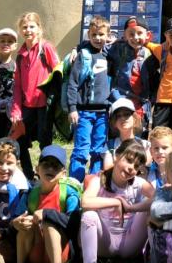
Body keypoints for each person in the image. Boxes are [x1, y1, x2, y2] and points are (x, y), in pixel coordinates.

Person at [79, 138, 155, 263]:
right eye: (128, 160)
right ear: (116, 156)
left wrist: (131, 208)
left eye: (136, 166)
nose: (131, 168)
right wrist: (116, 202)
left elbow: (158, 199)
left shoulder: (139, 183)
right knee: (89, 215)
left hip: (129, 242)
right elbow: (85, 202)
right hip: (105, 242)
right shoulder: (100, 180)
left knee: (152, 210)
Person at [11, 144, 82, 263]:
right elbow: (15, 219)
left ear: (63, 173)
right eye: (46, 164)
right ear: (37, 169)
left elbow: (74, 223)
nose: (50, 169)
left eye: (55, 166)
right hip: (36, 251)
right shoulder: (30, 194)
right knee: (24, 225)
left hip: (62, 253)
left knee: (50, 223)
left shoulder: (69, 193)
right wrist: (16, 223)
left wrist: (46, 213)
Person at [9, 12, 60, 178]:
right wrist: (16, 110)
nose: (28, 30)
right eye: (24, 27)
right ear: (20, 30)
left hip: (44, 105)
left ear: (39, 28)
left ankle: (46, 175)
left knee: (45, 142)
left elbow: (59, 72)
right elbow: (17, 86)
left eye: (32, 26)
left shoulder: (46, 48)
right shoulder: (20, 54)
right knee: (19, 140)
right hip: (27, 106)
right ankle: (28, 174)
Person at [66, 15, 113, 181]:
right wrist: (72, 108)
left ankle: (94, 183)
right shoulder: (83, 55)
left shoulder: (109, 55)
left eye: (101, 34)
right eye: (94, 35)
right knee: (81, 149)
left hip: (103, 113)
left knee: (98, 151)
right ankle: (74, 184)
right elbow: (72, 83)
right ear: (88, 35)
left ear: (108, 35)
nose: (98, 38)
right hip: (84, 113)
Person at [109, 15, 154, 122]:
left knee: (138, 129)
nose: (135, 37)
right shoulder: (118, 49)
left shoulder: (150, 53)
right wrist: (77, 48)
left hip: (140, 104)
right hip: (121, 100)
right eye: (131, 34)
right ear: (125, 36)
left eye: (139, 33)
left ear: (148, 35)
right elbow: (98, 47)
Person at [102, 97, 146, 169]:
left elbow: (145, 167)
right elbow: (107, 168)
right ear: (114, 122)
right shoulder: (109, 146)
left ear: (134, 118)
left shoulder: (145, 145)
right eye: (118, 116)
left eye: (126, 114)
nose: (122, 118)